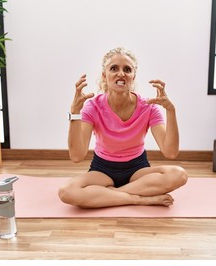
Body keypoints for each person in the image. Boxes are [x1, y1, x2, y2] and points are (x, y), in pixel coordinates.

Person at [58, 47, 188, 208]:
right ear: (105, 75)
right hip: (102, 170)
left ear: (133, 76)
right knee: (66, 191)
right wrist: (75, 113)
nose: (121, 74)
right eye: (114, 68)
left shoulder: (148, 107)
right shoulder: (93, 107)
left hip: (137, 170)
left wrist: (171, 110)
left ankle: (108, 196)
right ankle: (138, 199)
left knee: (179, 175)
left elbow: (170, 152)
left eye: (127, 69)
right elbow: (76, 156)